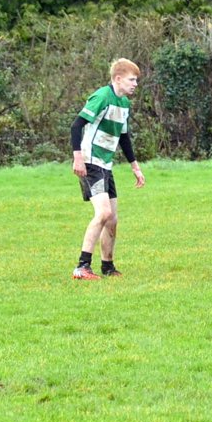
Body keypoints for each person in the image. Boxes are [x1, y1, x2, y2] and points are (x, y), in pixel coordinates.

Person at [71, 58, 145, 279]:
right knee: (103, 213)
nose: (135, 84)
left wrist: (135, 166)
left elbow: (124, 137)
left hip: (106, 164)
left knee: (112, 219)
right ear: (118, 79)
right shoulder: (102, 97)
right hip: (90, 161)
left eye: (136, 80)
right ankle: (82, 267)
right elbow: (76, 125)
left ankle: (108, 266)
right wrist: (78, 157)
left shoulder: (124, 104)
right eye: (132, 80)